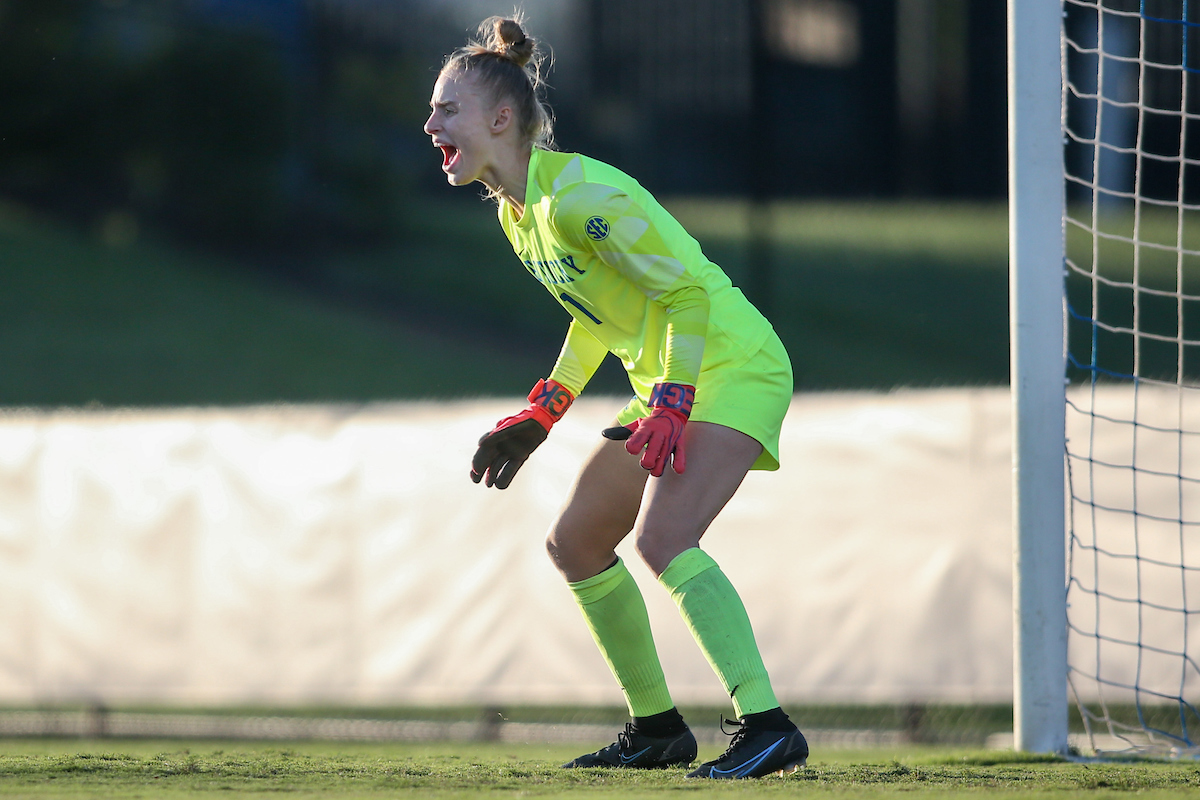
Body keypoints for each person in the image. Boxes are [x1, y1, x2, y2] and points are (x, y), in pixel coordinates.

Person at [423, 16, 807, 779]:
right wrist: (544, 411)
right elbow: (593, 316)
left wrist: (672, 403)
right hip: (673, 378)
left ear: (501, 120)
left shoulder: (579, 200)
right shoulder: (517, 213)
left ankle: (767, 726)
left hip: (730, 364)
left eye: (446, 109)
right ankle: (658, 729)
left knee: (664, 540)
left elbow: (689, 298)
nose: (430, 122)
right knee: (577, 543)